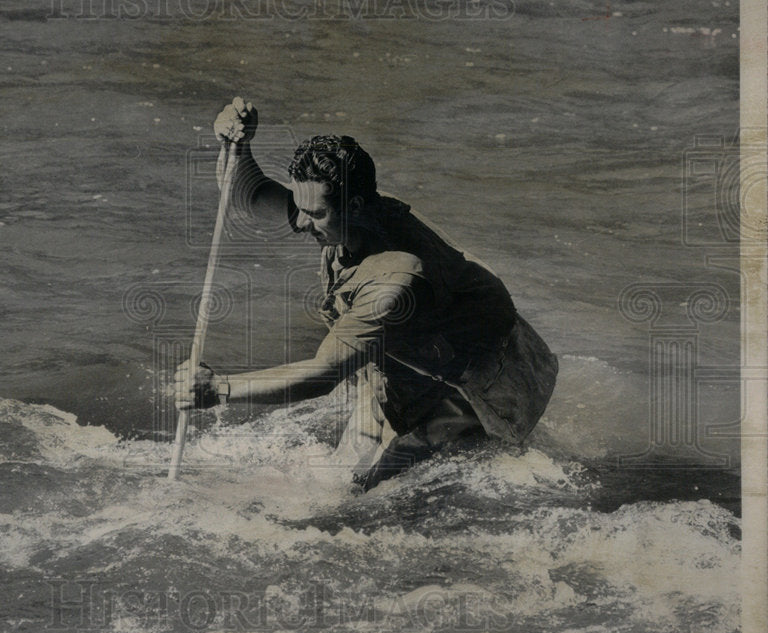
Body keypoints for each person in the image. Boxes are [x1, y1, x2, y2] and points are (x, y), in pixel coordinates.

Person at [174, 97, 558, 491]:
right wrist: (237, 147)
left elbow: (325, 373)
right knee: (346, 468)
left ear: (354, 206)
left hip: (493, 377)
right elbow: (248, 197)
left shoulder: (393, 280)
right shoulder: (339, 204)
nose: (301, 224)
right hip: (427, 343)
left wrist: (219, 389)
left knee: (373, 490)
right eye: (301, 209)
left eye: (315, 215)